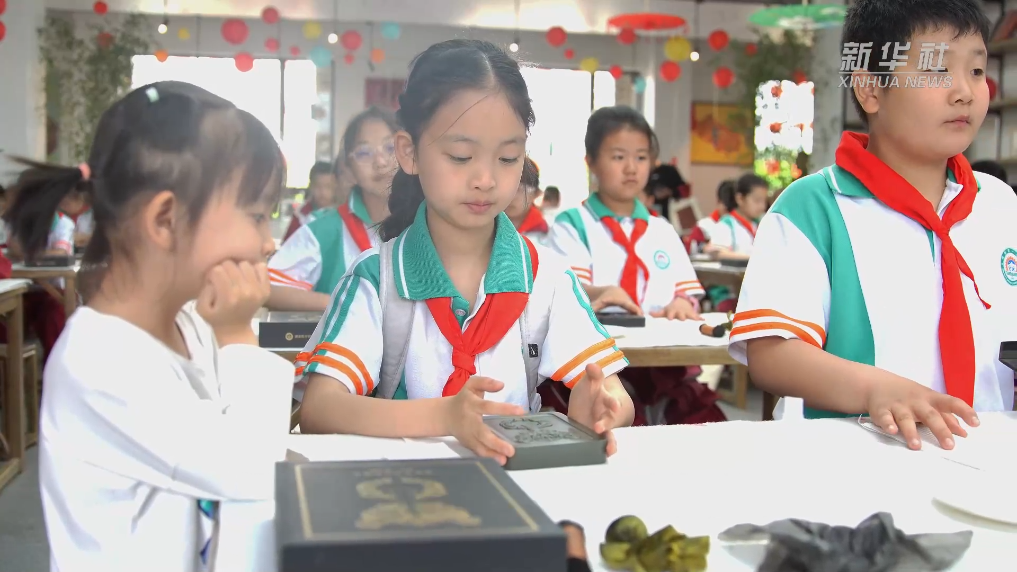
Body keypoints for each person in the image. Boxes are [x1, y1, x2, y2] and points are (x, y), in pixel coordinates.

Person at [295, 39, 634, 464]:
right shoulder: (375, 279)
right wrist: (444, 416)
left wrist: (604, 411)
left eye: (507, 158)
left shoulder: (546, 279)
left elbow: (613, 393)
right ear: (409, 153)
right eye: (460, 156)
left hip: (517, 489)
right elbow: (320, 408)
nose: (485, 179)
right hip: (406, 490)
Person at [4, 81, 294, 571]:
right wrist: (239, 337)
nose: (268, 242)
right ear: (165, 220)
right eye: (257, 216)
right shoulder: (100, 362)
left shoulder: (190, 322)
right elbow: (254, 471)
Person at [730, 0, 1001, 444]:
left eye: (976, 70)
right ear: (870, 89)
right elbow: (771, 353)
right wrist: (877, 389)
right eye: (936, 70)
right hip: (854, 459)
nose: (965, 92)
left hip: (989, 457)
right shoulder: (813, 207)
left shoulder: (1000, 204)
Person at [547, 106, 724, 426]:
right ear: (591, 162)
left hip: (661, 362)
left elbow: (685, 292)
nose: (631, 168)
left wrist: (682, 303)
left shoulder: (661, 229)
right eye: (618, 157)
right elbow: (565, 291)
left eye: (641, 157)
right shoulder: (573, 225)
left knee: (701, 420)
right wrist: (601, 292)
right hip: (598, 362)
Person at [267, 107, 398, 312]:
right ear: (349, 170)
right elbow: (269, 288)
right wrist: (345, 304)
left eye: (390, 148)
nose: (380, 162)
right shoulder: (323, 231)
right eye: (364, 152)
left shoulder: (431, 224)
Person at [709, 173, 768, 260]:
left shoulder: (762, 223)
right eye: (757, 200)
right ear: (740, 199)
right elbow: (718, 253)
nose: (762, 206)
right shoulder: (727, 224)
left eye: (764, 201)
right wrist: (752, 258)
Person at [282, 161, 338, 241]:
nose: (323, 192)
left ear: (336, 186)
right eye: (318, 186)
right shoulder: (300, 215)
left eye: (328, 187)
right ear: (311, 186)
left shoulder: (341, 214)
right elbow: (288, 244)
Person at [505, 157, 549, 243]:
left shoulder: (545, 234)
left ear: (536, 194)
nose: (511, 196)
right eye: (506, 188)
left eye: (520, 189)